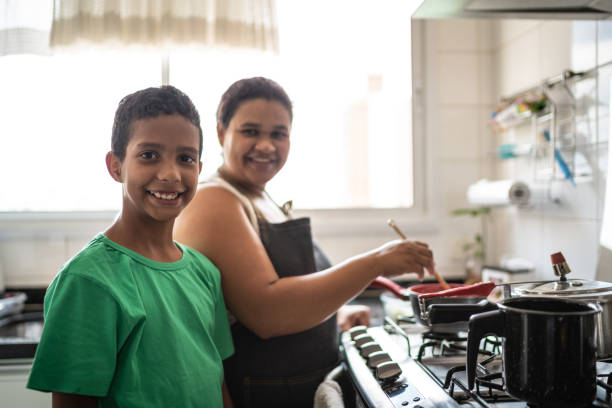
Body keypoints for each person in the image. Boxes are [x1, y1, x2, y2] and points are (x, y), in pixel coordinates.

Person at [173, 77, 435, 408]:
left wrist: (333, 317)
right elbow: (267, 313)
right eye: (251, 131)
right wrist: (378, 262)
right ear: (221, 133)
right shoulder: (216, 199)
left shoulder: (260, 197)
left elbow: (290, 297)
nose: (266, 146)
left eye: (278, 134)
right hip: (259, 394)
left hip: (298, 386)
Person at [27, 85, 234, 408]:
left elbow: (217, 383)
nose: (170, 174)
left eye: (185, 158)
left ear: (199, 169)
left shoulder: (204, 272)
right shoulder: (87, 282)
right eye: (149, 155)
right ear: (116, 166)